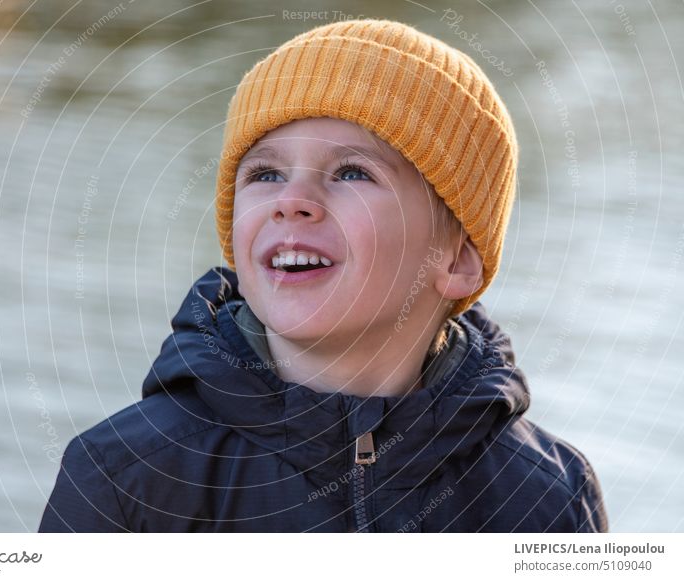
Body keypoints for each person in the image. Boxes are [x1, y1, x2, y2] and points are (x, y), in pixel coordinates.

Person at [39, 18, 608, 532]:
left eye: (353, 172)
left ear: (456, 259)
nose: (293, 200)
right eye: (264, 173)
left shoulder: (545, 496)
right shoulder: (128, 473)